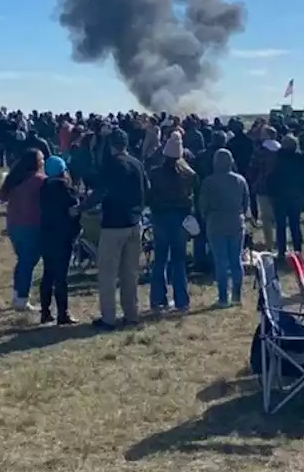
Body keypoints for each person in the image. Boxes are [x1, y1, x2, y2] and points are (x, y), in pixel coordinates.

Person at [92, 127, 147, 330]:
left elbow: (99, 191)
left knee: (107, 273)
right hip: (134, 223)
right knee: (130, 273)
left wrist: (80, 208)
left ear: (111, 145)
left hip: (113, 224)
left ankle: (109, 318)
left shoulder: (110, 165)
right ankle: (132, 314)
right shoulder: (137, 163)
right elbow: (146, 189)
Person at [148, 131, 195, 314]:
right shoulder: (189, 175)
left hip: (160, 218)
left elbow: (149, 196)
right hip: (180, 219)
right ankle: (182, 301)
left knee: (160, 260)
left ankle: (158, 300)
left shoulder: (155, 173)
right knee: (179, 260)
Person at [200, 146, 250, 307]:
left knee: (220, 261)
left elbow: (203, 206)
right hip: (236, 221)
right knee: (236, 260)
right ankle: (237, 295)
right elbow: (246, 202)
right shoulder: (240, 180)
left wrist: (207, 217)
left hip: (216, 223)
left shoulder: (209, 182)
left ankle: (222, 298)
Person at [0, 149, 45, 313]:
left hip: (14, 225)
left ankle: (18, 295)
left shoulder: (14, 179)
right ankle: (22, 299)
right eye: (42, 159)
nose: (43, 162)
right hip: (31, 225)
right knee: (28, 263)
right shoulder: (39, 181)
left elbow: (2, 196)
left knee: (23, 261)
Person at [38, 154, 81, 324]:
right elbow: (74, 210)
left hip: (46, 233)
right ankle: (63, 313)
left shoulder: (44, 187)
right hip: (63, 235)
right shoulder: (67, 189)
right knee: (61, 276)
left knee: (48, 273)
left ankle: (45, 311)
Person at [268, 132, 304, 259]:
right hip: (296, 195)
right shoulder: (303, 158)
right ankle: (298, 249)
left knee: (280, 225)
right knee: (295, 224)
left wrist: (271, 193)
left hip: (279, 196)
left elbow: (270, 177)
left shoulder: (277, 157)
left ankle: (282, 251)